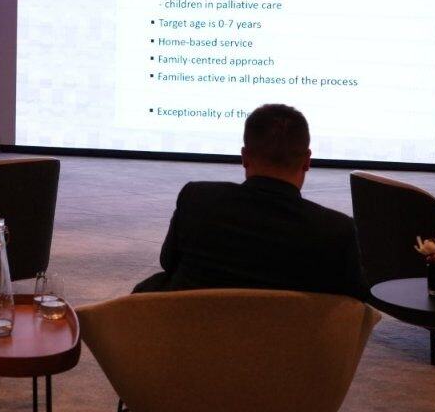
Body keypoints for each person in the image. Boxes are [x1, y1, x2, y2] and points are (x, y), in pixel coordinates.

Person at [134, 104, 367, 299]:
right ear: (307, 161)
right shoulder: (337, 230)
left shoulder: (197, 199)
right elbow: (355, 297)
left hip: (193, 335)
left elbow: (169, 262)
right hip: (289, 338)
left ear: (244, 157)